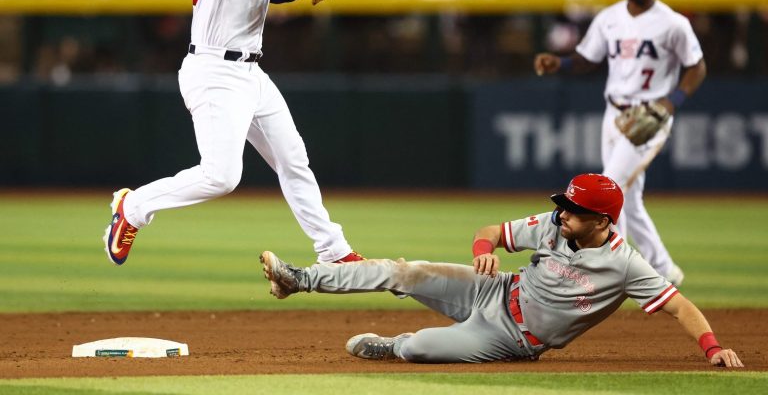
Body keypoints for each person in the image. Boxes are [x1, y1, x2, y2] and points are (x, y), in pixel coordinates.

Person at [104, 0, 385, 266]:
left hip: (249, 71)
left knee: (293, 158)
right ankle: (132, 208)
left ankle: (333, 250)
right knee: (221, 176)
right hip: (215, 71)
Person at [259, 173, 743, 367]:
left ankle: (395, 347)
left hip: (513, 339)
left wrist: (713, 347)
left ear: (602, 221)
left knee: (422, 346)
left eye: (573, 210)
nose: (562, 214)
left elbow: (678, 305)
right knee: (401, 271)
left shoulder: (625, 264)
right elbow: (490, 230)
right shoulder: (556, 224)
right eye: (564, 206)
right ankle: (300, 278)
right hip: (493, 290)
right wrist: (482, 249)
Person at [533, 0, 707, 286]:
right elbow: (587, 57)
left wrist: (673, 102)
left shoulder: (673, 23)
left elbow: (697, 66)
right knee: (630, 198)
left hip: (650, 114)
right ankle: (665, 269)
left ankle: (613, 268)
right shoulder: (609, 17)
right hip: (613, 112)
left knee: (610, 185)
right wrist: (560, 63)